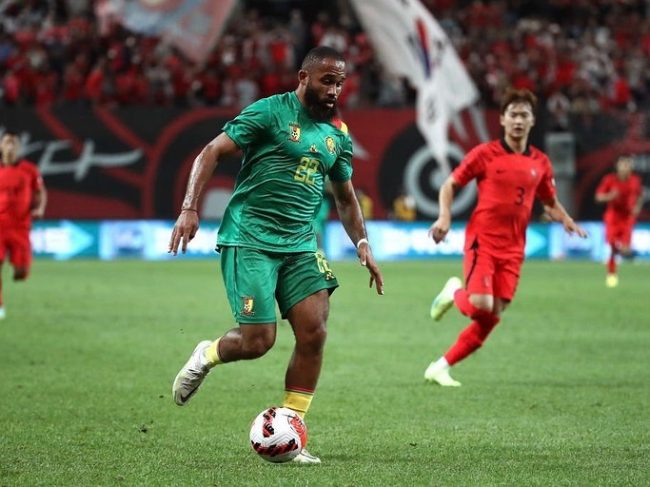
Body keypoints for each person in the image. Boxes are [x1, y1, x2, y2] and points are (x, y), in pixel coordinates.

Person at [167, 46, 384, 464]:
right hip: (250, 238)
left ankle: (290, 430)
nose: (334, 90)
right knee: (258, 341)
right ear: (304, 77)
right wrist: (190, 208)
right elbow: (211, 152)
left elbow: (345, 197)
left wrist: (362, 243)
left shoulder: (338, 135)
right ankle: (206, 355)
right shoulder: (270, 112)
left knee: (314, 331)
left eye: (340, 83)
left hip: (300, 244)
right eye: (327, 80)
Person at [424, 88, 587, 387]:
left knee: (492, 316)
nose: (518, 120)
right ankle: (454, 292)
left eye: (524, 115)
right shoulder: (484, 154)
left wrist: (566, 219)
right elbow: (449, 185)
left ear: (532, 121)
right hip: (483, 240)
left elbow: (549, 202)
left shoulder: (540, 162)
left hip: (514, 249)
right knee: (481, 305)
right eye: (513, 114)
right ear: (502, 119)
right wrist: (444, 217)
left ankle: (440, 367)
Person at [0, 131, 47, 320]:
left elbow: (40, 191)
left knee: (21, 272)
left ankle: (19, 269)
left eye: (14, 143)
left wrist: (40, 208)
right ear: (1, 147)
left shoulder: (29, 170)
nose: (10, 147)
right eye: (7, 142)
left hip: (20, 227)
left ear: (19, 148)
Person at [594, 155, 644, 288]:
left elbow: (640, 195)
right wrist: (610, 196)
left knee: (625, 249)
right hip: (613, 217)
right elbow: (598, 197)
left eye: (627, 165)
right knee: (612, 246)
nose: (625, 167)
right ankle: (611, 274)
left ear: (631, 167)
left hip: (627, 218)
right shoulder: (609, 180)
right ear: (617, 166)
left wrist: (637, 207)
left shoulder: (635, 181)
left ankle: (628, 253)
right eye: (622, 164)